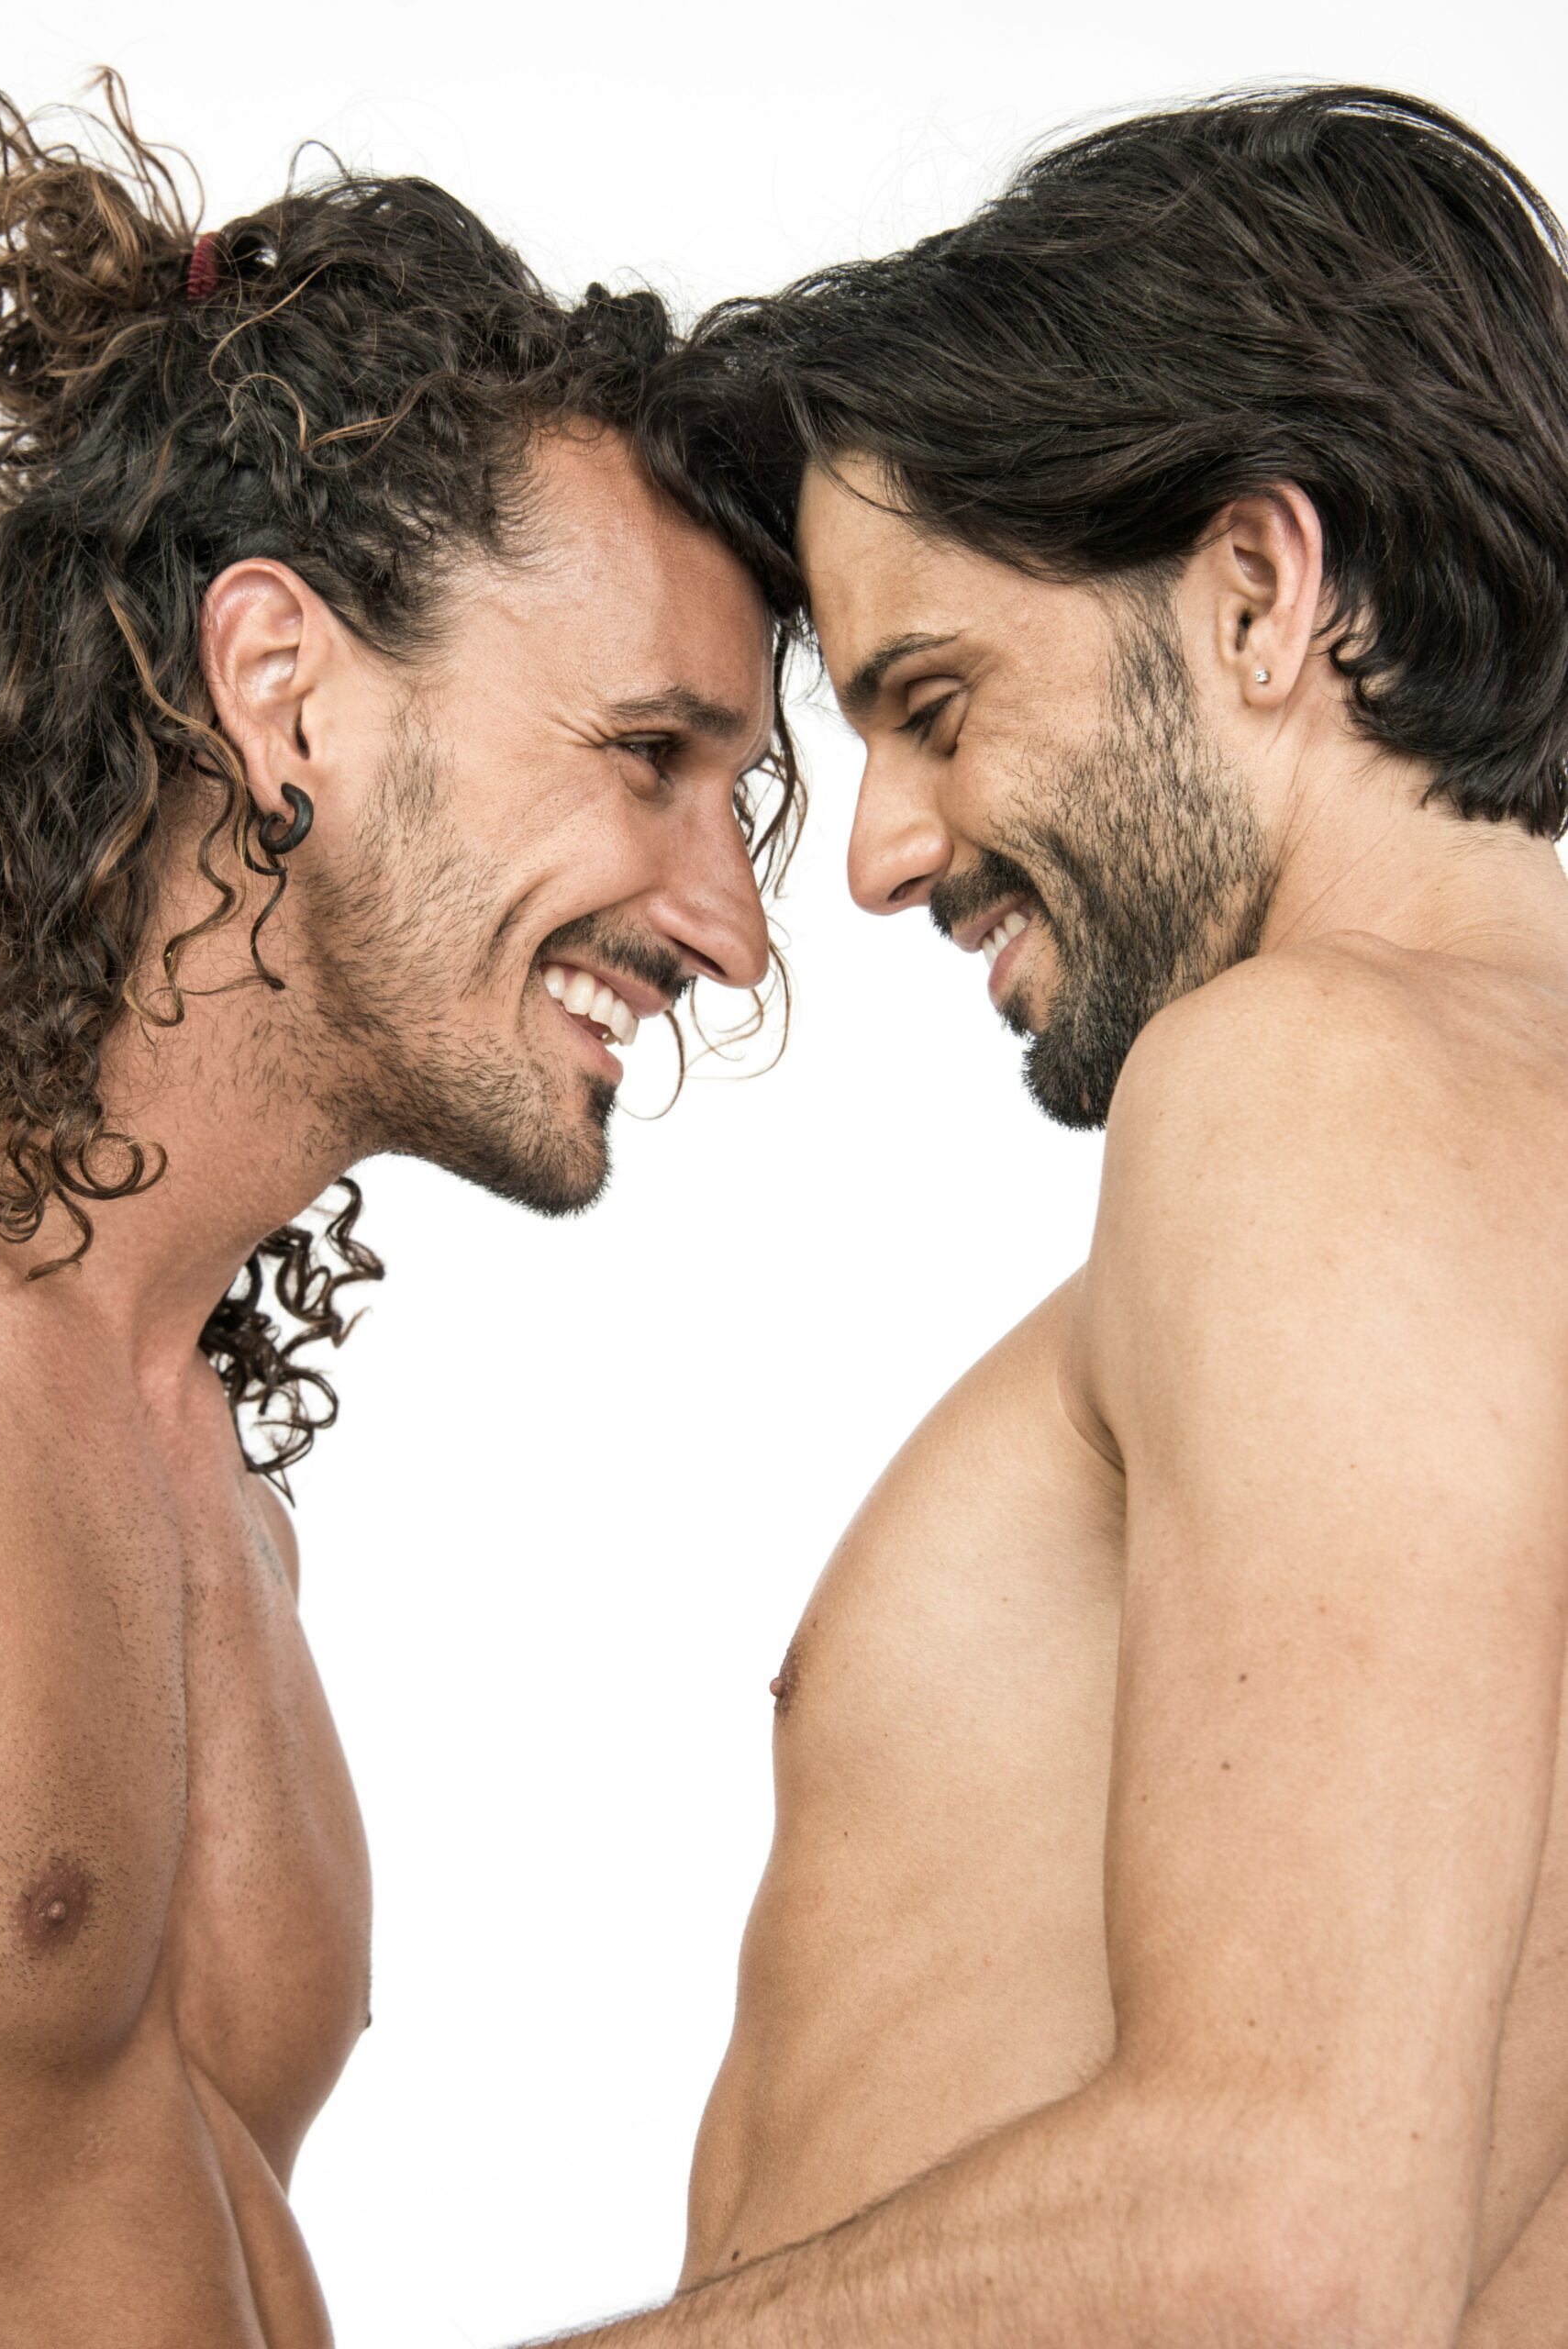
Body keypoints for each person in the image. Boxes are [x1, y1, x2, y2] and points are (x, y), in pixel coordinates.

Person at [536, 85, 1568, 2346]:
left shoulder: (1309, 1077)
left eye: (933, 700)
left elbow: (1285, 2234)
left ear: (1256, 589)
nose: (874, 852)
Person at [0, 75, 794, 2345]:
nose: (733, 924)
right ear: (281, 684)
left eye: (742, 795)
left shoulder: (193, 1453)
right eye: (647, 757)